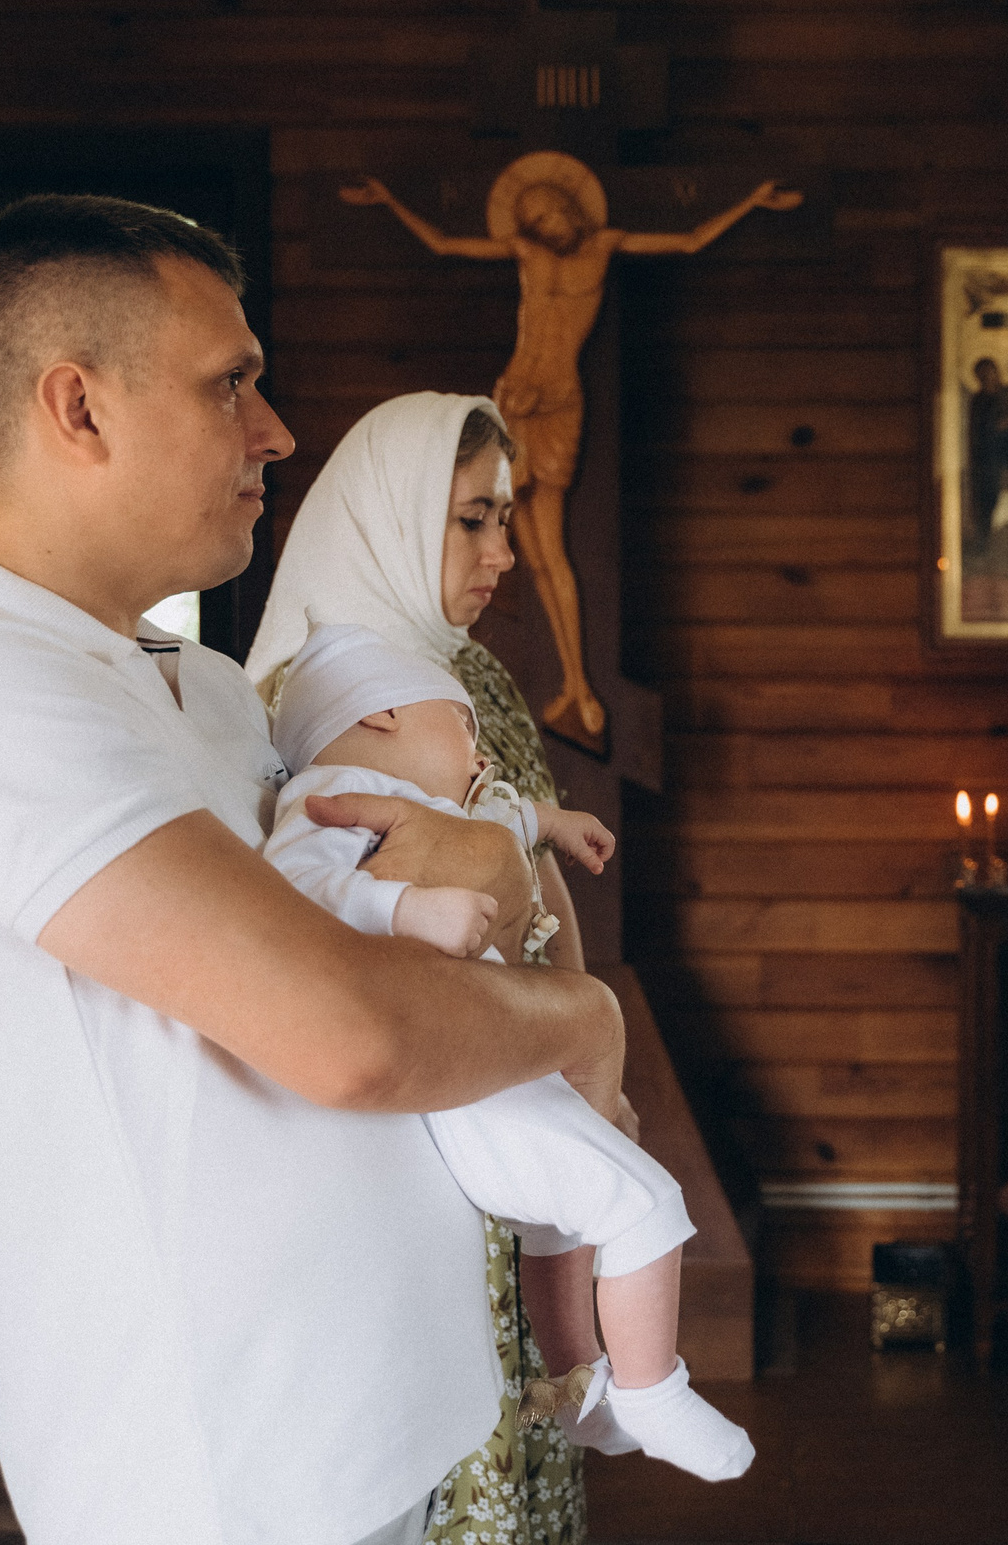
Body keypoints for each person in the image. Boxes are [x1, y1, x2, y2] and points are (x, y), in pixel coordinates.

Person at [0, 195, 628, 1545]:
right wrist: (583, 1021)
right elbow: (350, 1027)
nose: (277, 431)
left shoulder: (200, 679)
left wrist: (491, 859)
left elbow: (396, 911)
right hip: (216, 1466)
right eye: (230, 384)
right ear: (78, 406)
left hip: (377, 1410)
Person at [261, 621, 756, 1484]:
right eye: (463, 724)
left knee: (559, 1225)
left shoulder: (422, 801)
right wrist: (407, 910)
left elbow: (498, 813)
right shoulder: (333, 792)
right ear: (380, 714)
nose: (481, 750)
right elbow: (295, 893)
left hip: (476, 1061)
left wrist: (551, 821)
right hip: (458, 1074)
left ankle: (577, 1386)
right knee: (645, 1202)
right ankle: (654, 1390)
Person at [245, 389, 606, 1544]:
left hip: (522, 1049)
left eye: (506, 517)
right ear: (391, 514)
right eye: (472, 519)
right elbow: (354, 900)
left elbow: (522, 862)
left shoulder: (467, 671)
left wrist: (584, 1041)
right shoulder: (321, 689)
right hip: (423, 1111)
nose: (503, 552)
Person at [340, 157, 800, 745]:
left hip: (557, 405)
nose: (544, 226)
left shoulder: (605, 244)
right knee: (517, 550)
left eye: (549, 213)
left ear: (570, 208)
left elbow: (687, 241)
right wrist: (389, 201)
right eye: (533, 220)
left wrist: (751, 201)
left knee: (552, 553)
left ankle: (579, 684)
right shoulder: (526, 254)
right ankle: (525, 678)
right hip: (515, 400)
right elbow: (446, 243)